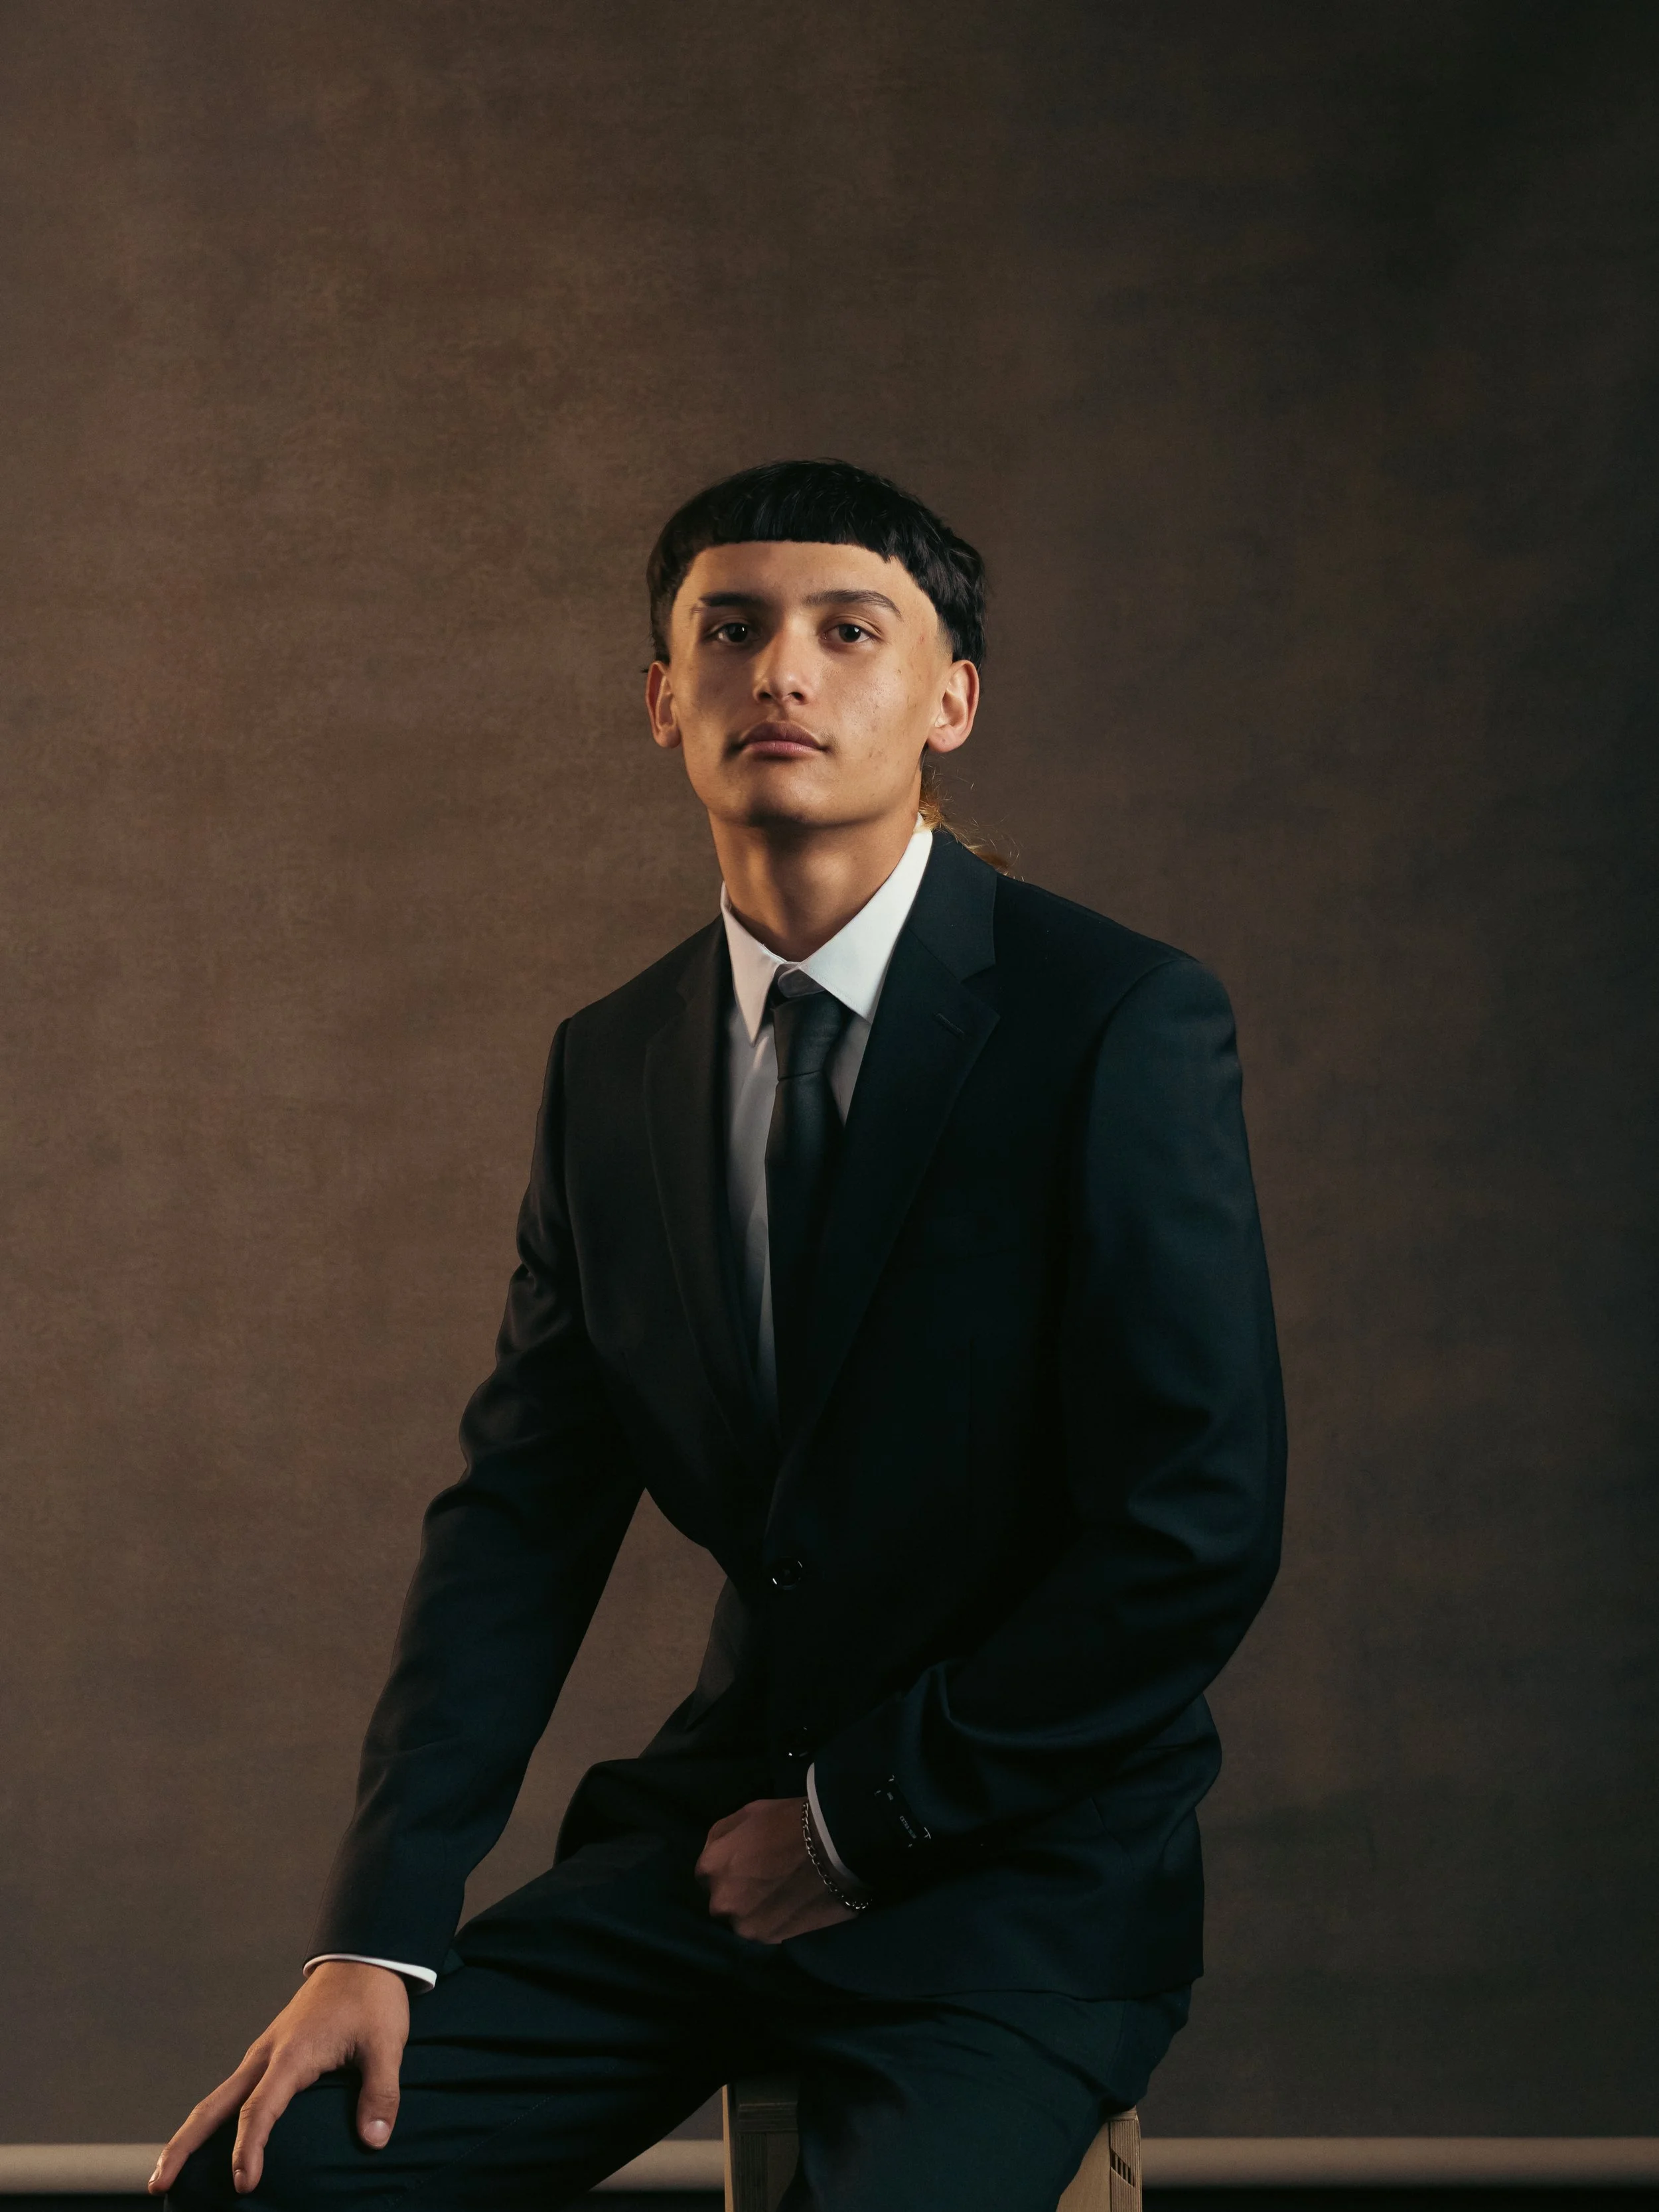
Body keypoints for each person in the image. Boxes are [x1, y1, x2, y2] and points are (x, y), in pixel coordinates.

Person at [154, 459, 1285, 2211]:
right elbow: (517, 1524)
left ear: (952, 700)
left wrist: (855, 1822)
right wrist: (376, 1935)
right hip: (707, 1852)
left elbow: (1193, 1527)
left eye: (850, 631)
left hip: (1010, 1878)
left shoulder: (1114, 1018)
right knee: (270, 2179)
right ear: (661, 697)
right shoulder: (611, 1066)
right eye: (732, 630)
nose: (784, 673)